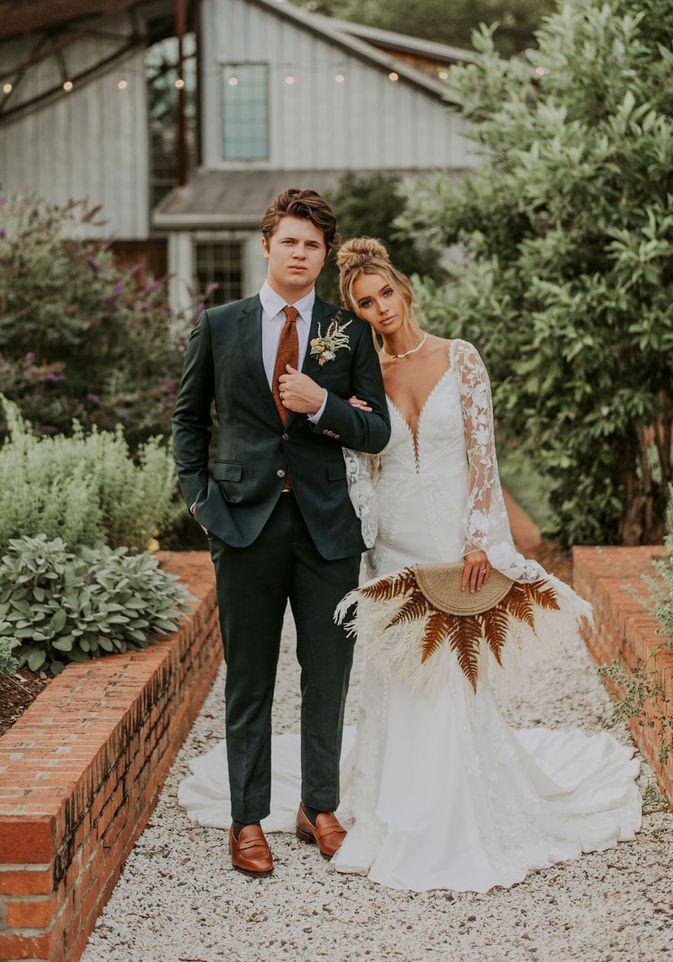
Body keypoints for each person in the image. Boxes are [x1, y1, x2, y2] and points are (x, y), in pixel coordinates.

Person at [179, 237, 642, 892]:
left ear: (405, 290)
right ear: (356, 315)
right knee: (400, 679)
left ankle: (464, 809)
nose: (378, 310)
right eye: (364, 305)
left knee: (458, 674)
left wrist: (481, 535)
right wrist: (356, 532)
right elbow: (354, 457)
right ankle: (387, 807)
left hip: (455, 535)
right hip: (392, 540)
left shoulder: (461, 358)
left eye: (385, 295)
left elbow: (485, 457)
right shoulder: (361, 374)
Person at [172, 194, 391, 878]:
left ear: (326, 257)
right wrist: (205, 505)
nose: (301, 254)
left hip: (328, 529)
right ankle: (246, 819)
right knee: (251, 680)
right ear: (266, 245)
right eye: (290, 242)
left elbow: (377, 428)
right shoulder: (219, 326)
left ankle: (318, 807)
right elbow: (187, 424)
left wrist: (322, 404)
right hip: (244, 526)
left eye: (314, 246)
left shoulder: (346, 331)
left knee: (327, 675)